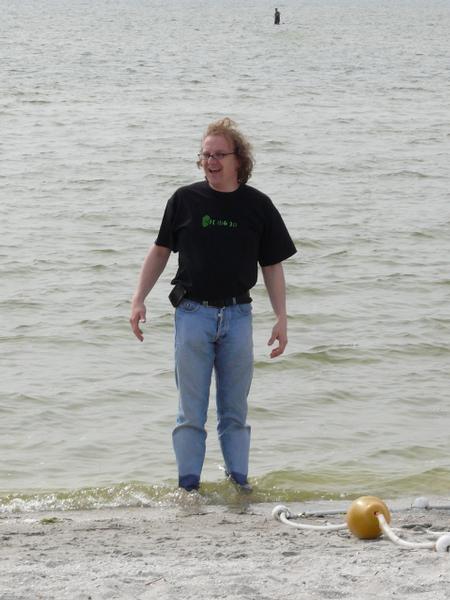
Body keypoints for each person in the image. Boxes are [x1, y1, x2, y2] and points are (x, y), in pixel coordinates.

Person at [130, 118, 296, 493]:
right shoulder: (184, 200)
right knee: (190, 412)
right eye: (205, 155)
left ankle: (240, 485)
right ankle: (188, 489)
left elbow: (272, 265)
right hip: (193, 314)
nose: (211, 162)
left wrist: (281, 317)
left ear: (239, 159)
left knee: (234, 412)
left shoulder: (258, 206)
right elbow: (160, 251)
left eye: (219, 155)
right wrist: (138, 299)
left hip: (238, 316)